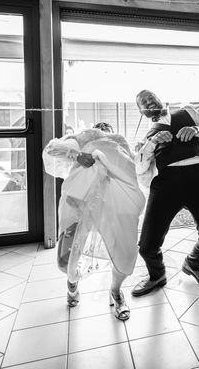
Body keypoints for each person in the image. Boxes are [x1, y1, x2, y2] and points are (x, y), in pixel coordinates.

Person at [42, 121, 144, 320]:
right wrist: (78, 155)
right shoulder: (84, 137)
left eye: (108, 128)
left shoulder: (120, 142)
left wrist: (143, 153)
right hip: (79, 201)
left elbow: (133, 168)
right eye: (101, 127)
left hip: (113, 203)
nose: (105, 129)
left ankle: (116, 292)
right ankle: (72, 283)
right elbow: (52, 149)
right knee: (66, 258)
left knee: (126, 251)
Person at [132, 89, 199, 296]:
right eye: (143, 101)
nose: (149, 101)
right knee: (146, 246)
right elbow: (140, 170)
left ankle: (193, 264)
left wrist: (196, 130)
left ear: (159, 98)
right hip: (166, 184)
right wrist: (152, 142)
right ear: (141, 111)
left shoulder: (187, 111)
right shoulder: (148, 136)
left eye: (150, 96)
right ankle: (157, 275)